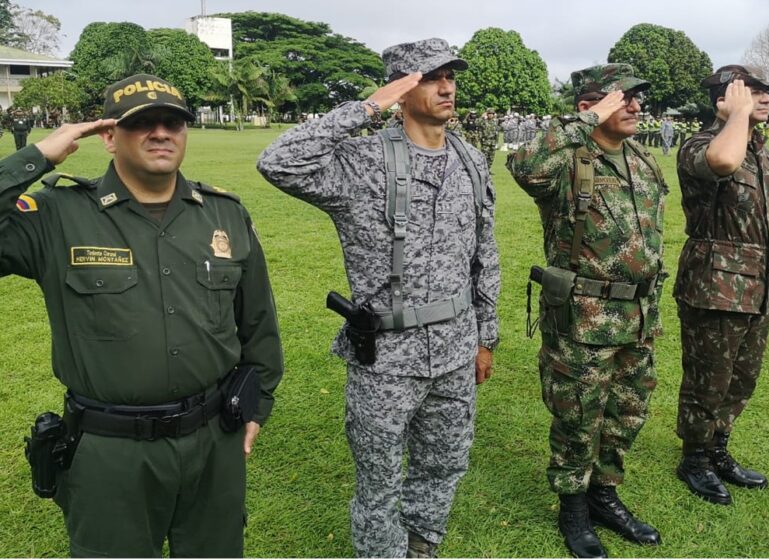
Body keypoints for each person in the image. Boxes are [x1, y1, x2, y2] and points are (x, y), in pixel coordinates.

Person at [0, 73, 283, 557]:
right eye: (142, 123)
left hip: (214, 441)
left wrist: (259, 404)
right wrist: (40, 154)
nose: (161, 133)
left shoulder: (224, 214)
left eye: (173, 122)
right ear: (108, 136)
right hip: (112, 452)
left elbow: (257, 321)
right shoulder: (57, 214)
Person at [257, 38, 500, 558]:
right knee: (380, 482)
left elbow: (485, 254)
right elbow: (279, 162)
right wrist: (367, 108)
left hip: (456, 350)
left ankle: (422, 546)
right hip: (386, 359)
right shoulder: (361, 160)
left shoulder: (471, 159)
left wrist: (487, 338)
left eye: (450, 76)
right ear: (403, 86)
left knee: (443, 465)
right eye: (431, 77)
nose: (447, 86)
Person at [508, 63, 666, 558]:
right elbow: (523, 165)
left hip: (638, 316)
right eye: (625, 99)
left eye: (638, 99)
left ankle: (604, 496)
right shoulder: (565, 160)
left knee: (627, 411)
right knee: (578, 416)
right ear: (590, 107)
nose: (637, 107)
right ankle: (573, 510)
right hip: (582, 318)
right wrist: (585, 120)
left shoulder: (641, 158)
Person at [674, 65, 769, 505]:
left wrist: (743, 120)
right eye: (752, 91)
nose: (765, 97)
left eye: (767, 91)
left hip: (757, 282)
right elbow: (722, 161)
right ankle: (694, 459)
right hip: (715, 283)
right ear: (725, 97)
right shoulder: (703, 145)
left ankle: (718, 448)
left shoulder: (760, 152)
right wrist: (733, 116)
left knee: (741, 377)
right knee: (708, 379)